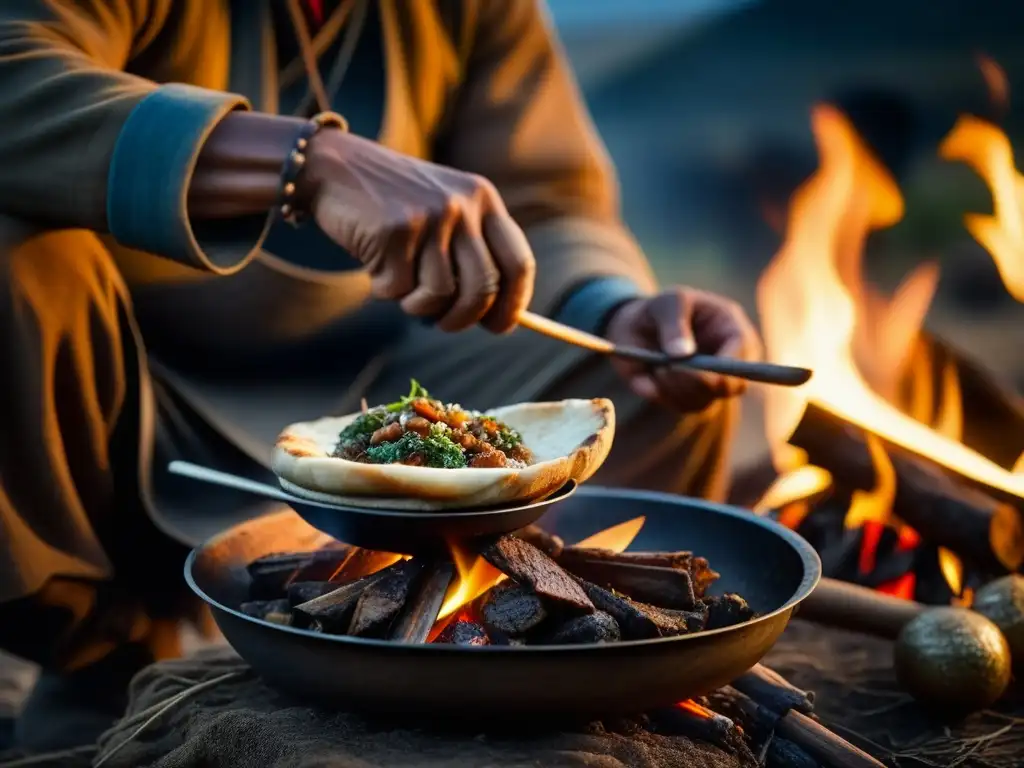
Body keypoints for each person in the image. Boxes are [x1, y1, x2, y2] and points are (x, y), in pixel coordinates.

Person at [0, 0, 760, 750]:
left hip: (390, 363)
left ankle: (538, 650)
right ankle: (109, 662)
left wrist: (613, 307)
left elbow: (548, 200)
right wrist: (305, 162)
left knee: (650, 373)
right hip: (125, 378)